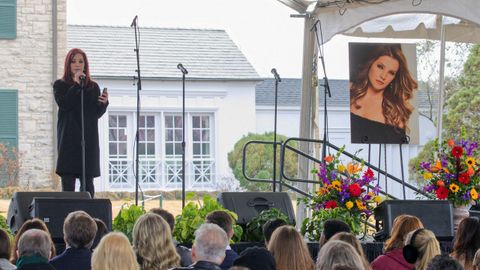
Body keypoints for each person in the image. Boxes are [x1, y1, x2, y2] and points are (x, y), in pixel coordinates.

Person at [53, 48, 109, 198]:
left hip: (87, 142)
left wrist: (103, 104)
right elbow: (64, 104)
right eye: (73, 61)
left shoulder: (93, 87)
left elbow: (94, 114)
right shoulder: (60, 85)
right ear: (68, 65)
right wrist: (77, 86)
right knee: (68, 187)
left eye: (81, 61)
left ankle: (88, 220)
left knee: (87, 187)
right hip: (69, 142)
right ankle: (67, 219)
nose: (77, 65)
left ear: (85, 65)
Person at [350, 44, 418, 144]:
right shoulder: (349, 91)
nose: (383, 76)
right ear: (370, 64)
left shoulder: (395, 115)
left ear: (394, 78)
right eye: (380, 67)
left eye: (391, 73)